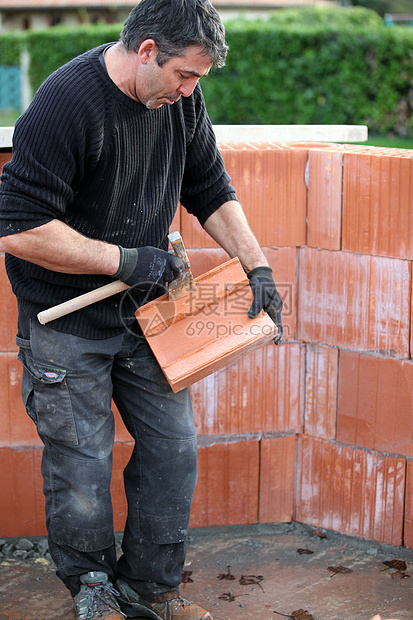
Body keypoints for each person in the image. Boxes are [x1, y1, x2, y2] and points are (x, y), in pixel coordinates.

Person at [0, 1, 283, 618]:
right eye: (185, 75)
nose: (190, 91)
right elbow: (18, 228)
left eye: (198, 81)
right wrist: (125, 261)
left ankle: (152, 589)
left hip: (145, 319)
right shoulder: (66, 103)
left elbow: (209, 186)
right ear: (149, 50)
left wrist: (256, 266)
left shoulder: (180, 102)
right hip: (65, 321)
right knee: (82, 466)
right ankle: (93, 590)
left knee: (173, 449)